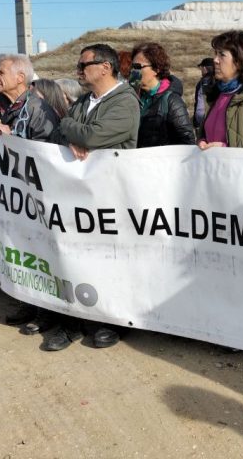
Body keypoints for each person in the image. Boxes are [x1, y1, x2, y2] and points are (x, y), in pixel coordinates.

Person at [50, 43, 140, 350]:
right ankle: (73, 319)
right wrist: (70, 129)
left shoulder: (125, 102)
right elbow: (60, 134)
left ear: (105, 67)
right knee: (76, 255)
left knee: (108, 258)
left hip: (109, 195)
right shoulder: (85, 101)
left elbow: (92, 136)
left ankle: (110, 321)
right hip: (79, 194)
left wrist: (70, 127)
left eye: (84, 65)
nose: (79, 71)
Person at [0, 55, 63, 343]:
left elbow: (47, 153)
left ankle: (47, 313)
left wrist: (11, 137)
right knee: (24, 250)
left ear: (20, 78)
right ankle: (30, 303)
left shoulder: (38, 110)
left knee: (41, 254)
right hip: (20, 197)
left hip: (37, 198)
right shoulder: (14, 108)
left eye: (1, 72)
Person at [130, 42, 195, 148]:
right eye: (132, 66)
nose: (133, 71)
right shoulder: (132, 97)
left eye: (138, 66)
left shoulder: (171, 100)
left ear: (156, 69)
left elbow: (188, 141)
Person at [193, 58, 215, 134]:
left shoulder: (217, 82)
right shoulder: (200, 83)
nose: (201, 70)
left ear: (205, 68)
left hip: (212, 124)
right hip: (200, 124)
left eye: (201, 68)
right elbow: (197, 103)